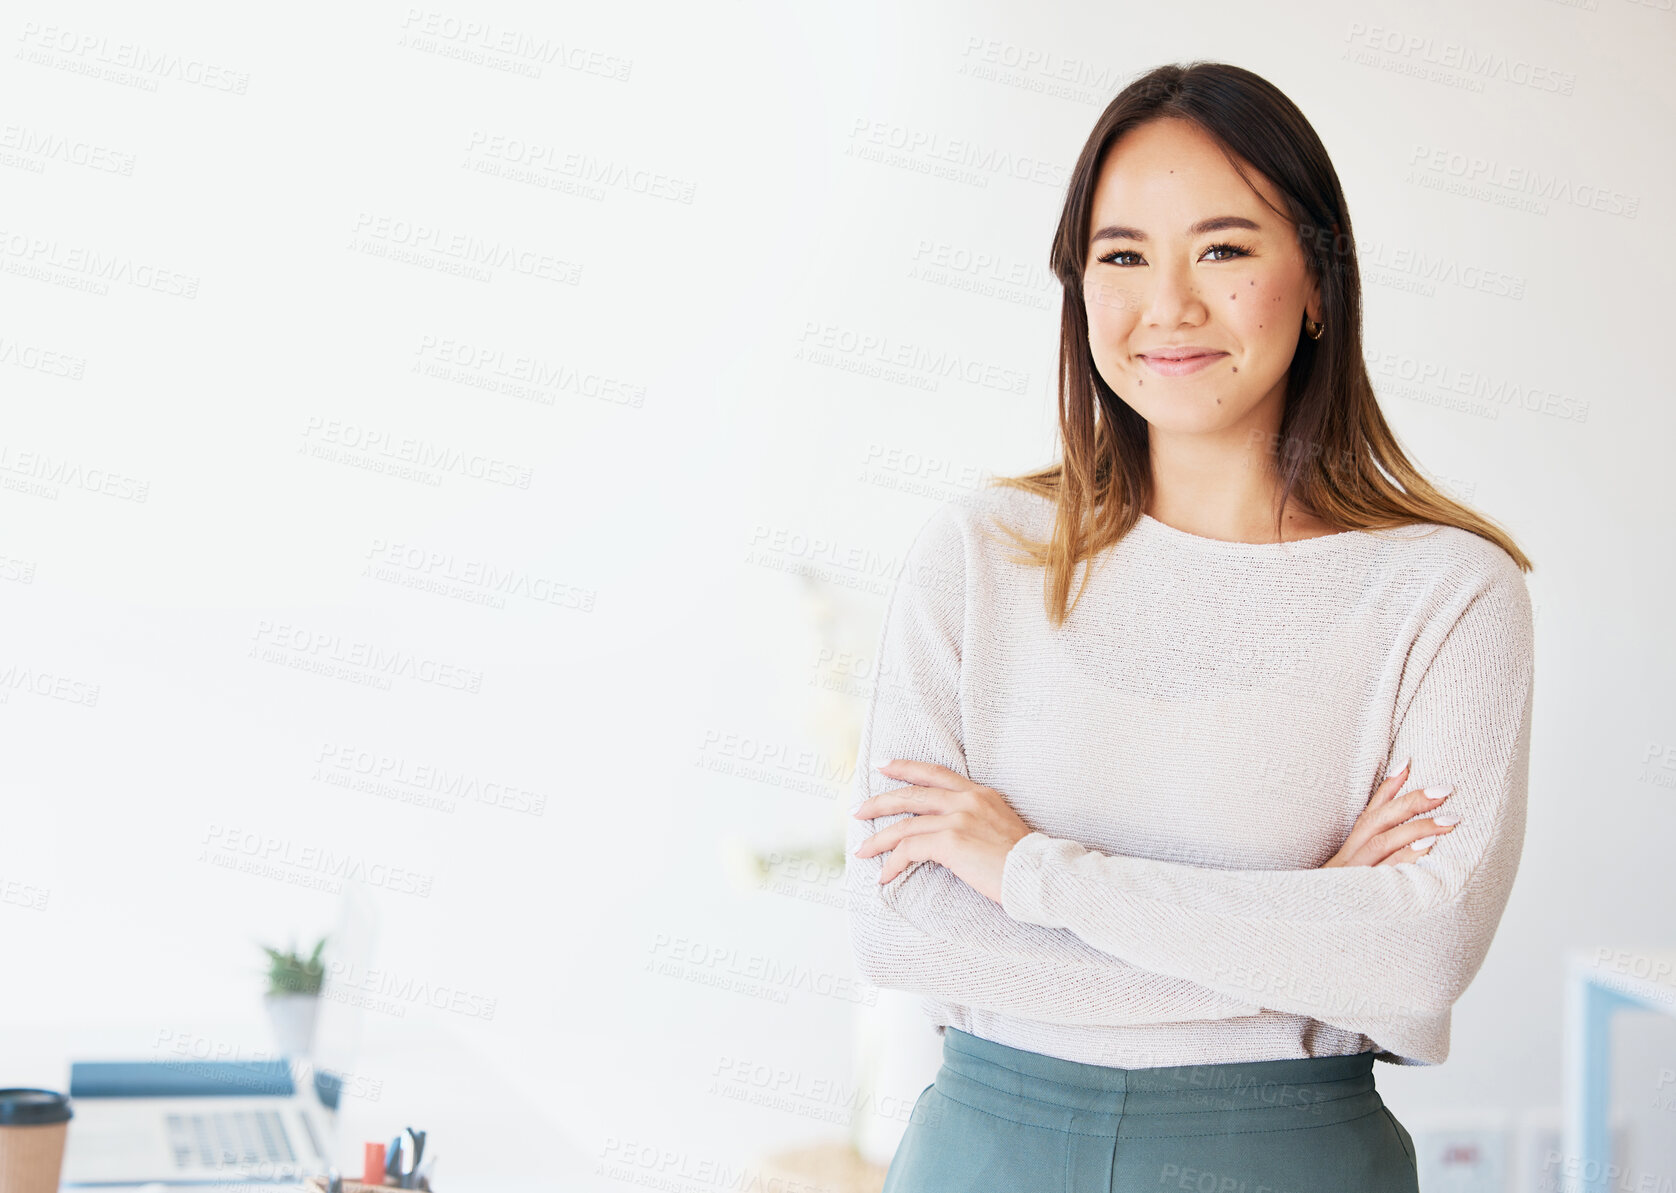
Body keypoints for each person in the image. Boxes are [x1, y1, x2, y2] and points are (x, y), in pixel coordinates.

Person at [845, 60, 1535, 1193]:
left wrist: (1028, 869)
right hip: (982, 1150)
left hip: (1284, 1155)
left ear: (1317, 281)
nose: (1166, 306)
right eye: (1121, 257)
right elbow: (899, 930)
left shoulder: (1448, 593)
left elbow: (1416, 954)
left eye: (1221, 249)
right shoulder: (977, 553)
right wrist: (1304, 933)